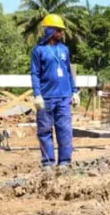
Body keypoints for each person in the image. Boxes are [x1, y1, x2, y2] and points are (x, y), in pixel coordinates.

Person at [30, 14, 79, 169]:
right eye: (58, 30)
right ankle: (48, 163)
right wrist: (37, 94)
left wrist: (74, 91)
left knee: (64, 129)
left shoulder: (64, 49)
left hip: (64, 97)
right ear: (49, 30)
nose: (61, 33)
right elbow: (35, 73)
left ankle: (65, 162)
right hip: (46, 97)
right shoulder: (38, 51)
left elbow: (68, 72)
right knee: (45, 131)